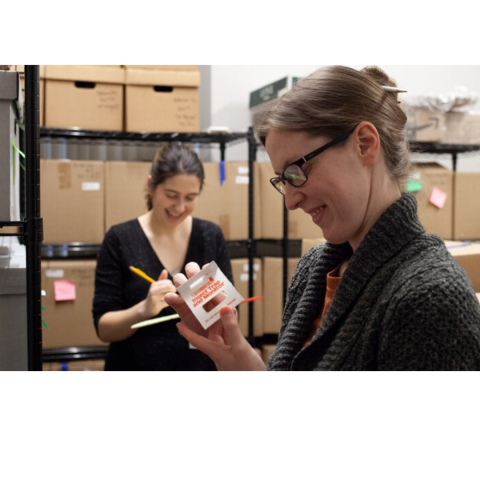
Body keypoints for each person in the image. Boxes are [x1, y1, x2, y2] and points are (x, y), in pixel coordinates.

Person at [165, 65, 480, 371]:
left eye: (297, 171)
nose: (290, 201)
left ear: (364, 144)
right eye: (282, 180)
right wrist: (236, 354)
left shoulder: (430, 298)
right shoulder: (314, 269)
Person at [92, 143, 233, 371]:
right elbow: (103, 329)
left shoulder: (210, 235)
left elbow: (230, 318)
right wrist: (143, 309)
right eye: (171, 195)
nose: (179, 206)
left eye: (190, 197)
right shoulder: (120, 238)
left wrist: (214, 306)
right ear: (151, 186)